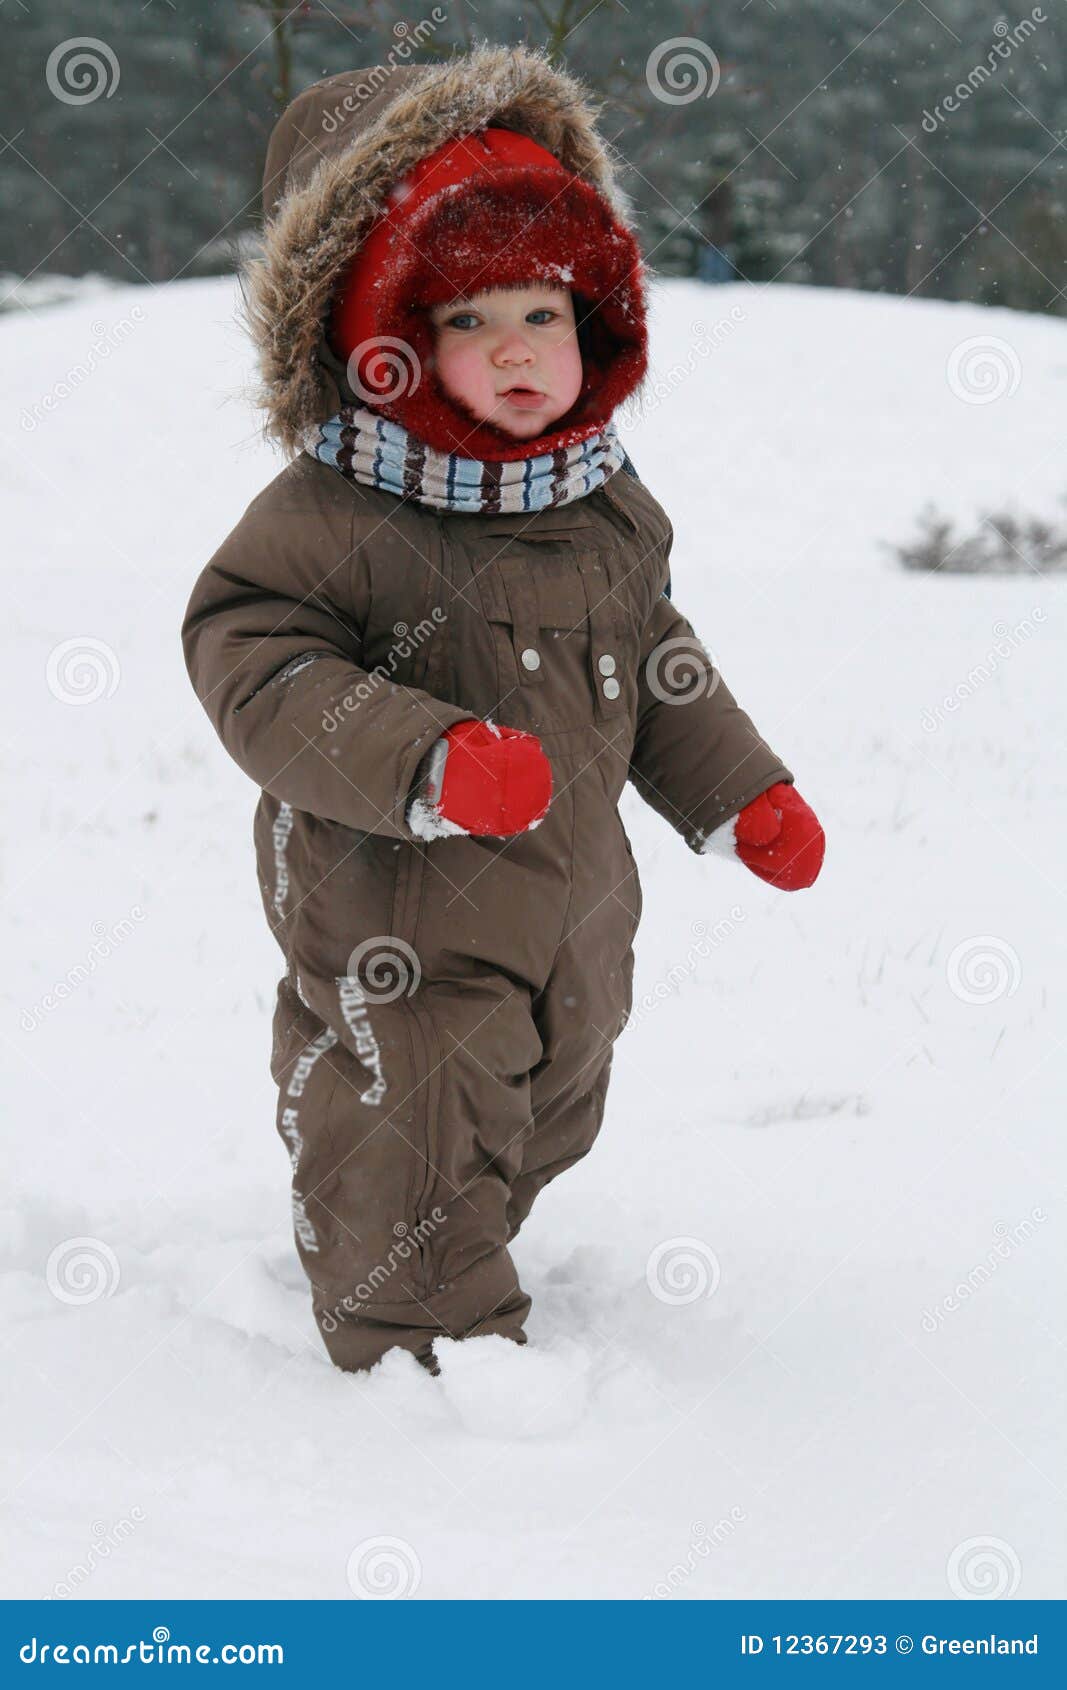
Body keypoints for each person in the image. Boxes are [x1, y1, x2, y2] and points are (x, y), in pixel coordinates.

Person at [181, 45, 825, 1375]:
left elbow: (655, 655)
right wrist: (420, 757)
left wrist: (740, 790)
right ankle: (422, 1351)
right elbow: (253, 654)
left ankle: (464, 1226)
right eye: (466, 321)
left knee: (558, 1082)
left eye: (542, 311)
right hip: (398, 903)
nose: (517, 350)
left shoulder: (599, 498)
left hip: (576, 904)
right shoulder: (336, 511)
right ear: (383, 344)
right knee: (415, 1097)